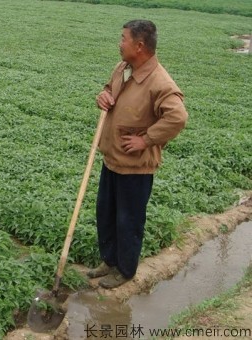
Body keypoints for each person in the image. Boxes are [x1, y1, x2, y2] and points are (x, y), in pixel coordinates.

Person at [87, 20, 188, 289]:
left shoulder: (160, 82)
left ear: (139, 46)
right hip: (113, 158)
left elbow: (177, 117)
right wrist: (103, 96)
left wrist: (145, 139)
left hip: (135, 168)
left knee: (128, 220)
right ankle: (109, 261)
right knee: (106, 213)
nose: (119, 43)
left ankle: (125, 270)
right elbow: (109, 91)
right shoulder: (122, 69)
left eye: (123, 39)